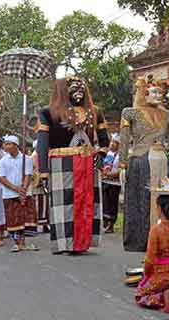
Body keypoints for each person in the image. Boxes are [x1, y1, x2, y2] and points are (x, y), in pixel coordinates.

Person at [35, 76, 109, 254]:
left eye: (80, 87)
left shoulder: (95, 112)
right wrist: (43, 172)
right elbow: (42, 144)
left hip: (88, 166)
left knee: (87, 202)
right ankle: (65, 243)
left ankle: (85, 241)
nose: (77, 91)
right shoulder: (48, 112)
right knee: (65, 204)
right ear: (62, 90)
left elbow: (105, 142)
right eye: (72, 87)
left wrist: (96, 162)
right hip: (61, 164)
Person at [119, 77, 169, 252]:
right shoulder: (130, 113)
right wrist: (122, 163)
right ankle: (141, 239)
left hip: (163, 160)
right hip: (140, 160)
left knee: (164, 199)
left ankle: (164, 237)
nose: (159, 95)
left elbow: (168, 139)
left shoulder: (168, 115)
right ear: (145, 92)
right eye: (155, 92)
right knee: (141, 200)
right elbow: (124, 140)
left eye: (161, 92)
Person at [135, 191, 169, 314]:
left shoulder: (156, 230)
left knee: (141, 293)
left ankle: (165, 296)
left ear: (159, 208)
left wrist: (147, 275)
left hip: (163, 278)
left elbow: (149, 260)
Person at [0, 135, 39, 253]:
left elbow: (28, 175)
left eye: (9, 144)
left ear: (16, 145)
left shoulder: (27, 159)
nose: (6, 147)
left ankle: (23, 242)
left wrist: (23, 189)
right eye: (5, 144)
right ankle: (17, 242)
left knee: (25, 218)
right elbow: (2, 178)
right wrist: (16, 189)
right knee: (13, 219)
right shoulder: (2, 161)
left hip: (25, 193)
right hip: (9, 194)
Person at [101, 133, 121, 234]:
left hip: (115, 184)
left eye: (115, 143)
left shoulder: (120, 156)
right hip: (105, 181)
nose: (112, 144)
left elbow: (120, 170)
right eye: (112, 142)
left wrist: (111, 174)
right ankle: (105, 220)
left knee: (112, 204)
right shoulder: (108, 154)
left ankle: (111, 224)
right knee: (105, 202)